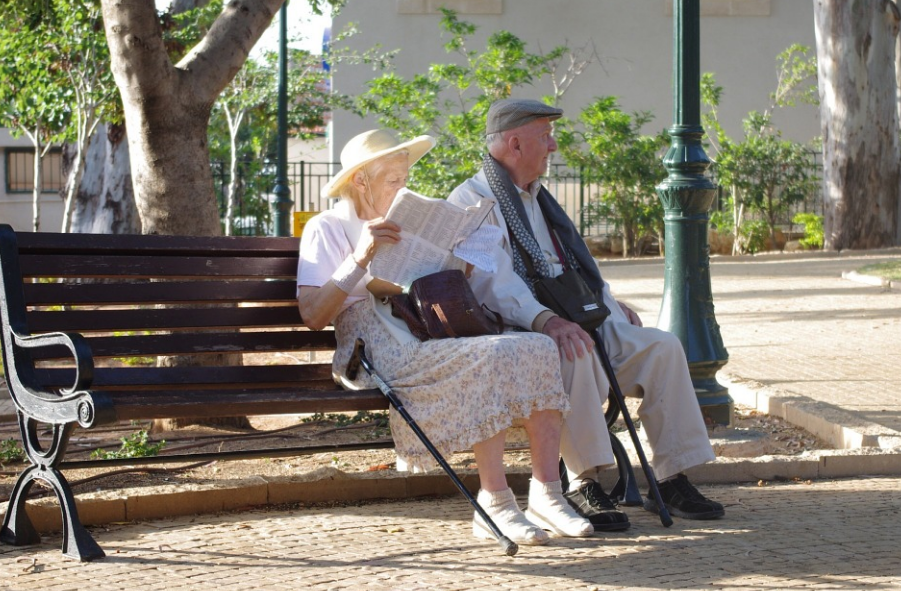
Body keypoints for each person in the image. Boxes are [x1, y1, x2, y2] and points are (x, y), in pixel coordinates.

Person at [296, 128, 594, 545]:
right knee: (485, 358)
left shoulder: (404, 220)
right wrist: (360, 257)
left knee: (538, 346)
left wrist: (459, 261)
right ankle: (495, 501)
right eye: (394, 180)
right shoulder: (327, 227)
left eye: (405, 178)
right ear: (361, 180)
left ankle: (547, 493)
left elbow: (428, 280)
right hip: (373, 345)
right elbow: (312, 314)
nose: (404, 187)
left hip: (424, 327)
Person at [448, 99, 725, 531]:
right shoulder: (472, 200)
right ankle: (584, 480)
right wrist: (547, 321)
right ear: (514, 144)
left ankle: (671, 477)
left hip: (575, 317)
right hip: (526, 330)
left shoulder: (539, 199)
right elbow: (493, 283)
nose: (554, 146)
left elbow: (572, 267)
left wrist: (610, 307)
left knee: (662, 347)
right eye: (545, 137)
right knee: (573, 350)